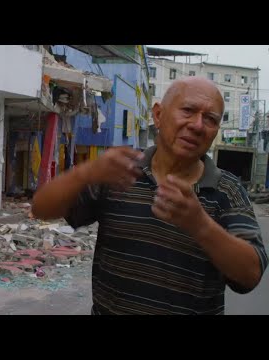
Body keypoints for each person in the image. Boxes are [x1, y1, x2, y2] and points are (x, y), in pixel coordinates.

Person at [32, 77, 268, 315]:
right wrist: (85, 173)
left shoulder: (227, 189)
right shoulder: (121, 171)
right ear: (158, 115)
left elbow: (250, 276)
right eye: (188, 110)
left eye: (210, 119)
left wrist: (200, 226)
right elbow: (41, 210)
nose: (197, 125)